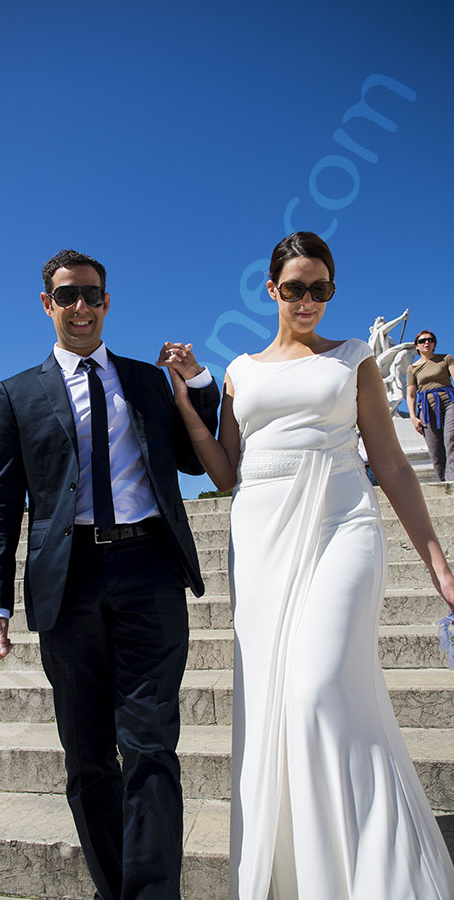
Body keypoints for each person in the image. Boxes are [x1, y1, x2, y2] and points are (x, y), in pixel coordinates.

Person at [163, 232, 454, 899]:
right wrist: (187, 404)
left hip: (341, 525)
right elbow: (228, 471)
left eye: (319, 289)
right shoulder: (240, 371)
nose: (306, 300)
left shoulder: (355, 360)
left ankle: (373, 874)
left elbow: (392, 464)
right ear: (271, 290)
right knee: (278, 703)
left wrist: (438, 565)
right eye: (294, 288)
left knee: (318, 687)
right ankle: (303, 877)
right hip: (261, 541)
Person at [0, 249, 219, 900]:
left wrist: (197, 387)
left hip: (148, 570)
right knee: (88, 759)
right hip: (69, 579)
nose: (80, 306)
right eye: (66, 296)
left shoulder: (144, 381)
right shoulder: (17, 394)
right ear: (47, 305)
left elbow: (199, 465)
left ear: (107, 302)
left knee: (150, 746)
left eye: (91, 295)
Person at [406, 330, 454, 482]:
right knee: (435, 449)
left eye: (430, 340)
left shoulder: (445, 359)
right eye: (422, 341)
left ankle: (452, 481)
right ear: (417, 347)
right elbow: (411, 394)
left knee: (451, 439)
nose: (426, 343)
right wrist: (413, 417)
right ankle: (443, 483)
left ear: (434, 343)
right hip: (426, 408)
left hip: (449, 402)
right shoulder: (412, 367)